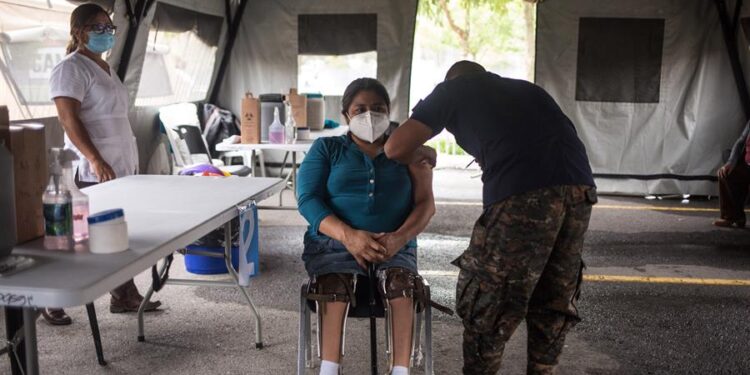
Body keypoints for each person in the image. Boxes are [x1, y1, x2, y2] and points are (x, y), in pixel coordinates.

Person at [384, 61, 597, 375]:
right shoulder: (528, 90)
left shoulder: (453, 89)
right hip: (580, 189)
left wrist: (421, 152)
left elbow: (394, 147)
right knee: (553, 295)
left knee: (489, 298)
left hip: (522, 190)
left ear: (453, 80)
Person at [296, 78, 437, 375]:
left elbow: (425, 204)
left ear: (388, 111)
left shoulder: (408, 152)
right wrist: (349, 236)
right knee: (333, 284)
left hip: (394, 244)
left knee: (402, 285)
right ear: (346, 113)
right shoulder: (327, 148)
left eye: (377, 108)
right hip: (332, 244)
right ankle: (329, 368)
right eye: (360, 109)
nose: (369, 115)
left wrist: (399, 238)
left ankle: (401, 370)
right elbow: (308, 199)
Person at [45, 3, 160, 325]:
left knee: (117, 232)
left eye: (109, 28)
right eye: (98, 28)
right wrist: (95, 158)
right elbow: (68, 120)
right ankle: (51, 298)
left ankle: (123, 294)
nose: (106, 33)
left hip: (120, 165)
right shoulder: (71, 68)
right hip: (92, 169)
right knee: (79, 238)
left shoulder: (104, 68)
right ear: (79, 32)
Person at [714, 119, 750, 228]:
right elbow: (740, 141)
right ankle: (730, 217)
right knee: (726, 173)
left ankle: (737, 216)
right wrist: (730, 163)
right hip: (748, 164)